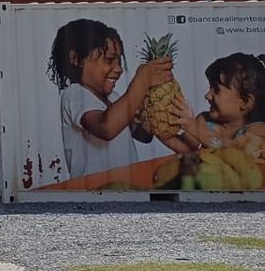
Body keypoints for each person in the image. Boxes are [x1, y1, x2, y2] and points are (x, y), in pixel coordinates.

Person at [46, 19, 172, 181]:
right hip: (95, 193)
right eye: (109, 60)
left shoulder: (114, 98)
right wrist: (142, 80)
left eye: (119, 61)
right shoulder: (75, 94)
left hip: (128, 189)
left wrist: (153, 97)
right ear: (76, 59)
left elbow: (143, 135)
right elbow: (106, 128)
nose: (118, 69)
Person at [166, 52, 265, 152]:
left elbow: (234, 149)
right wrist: (156, 126)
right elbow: (185, 148)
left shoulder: (257, 130)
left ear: (245, 102)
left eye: (216, 90)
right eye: (210, 88)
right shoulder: (205, 121)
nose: (207, 95)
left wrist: (192, 126)